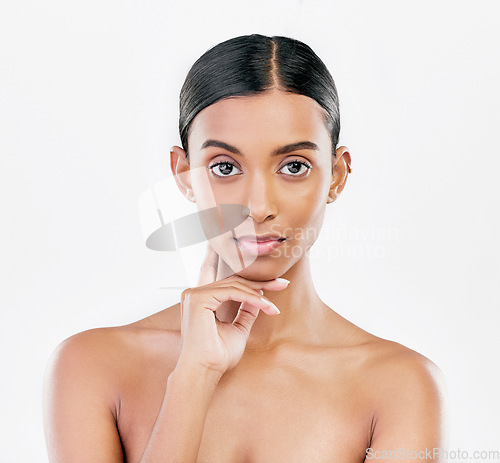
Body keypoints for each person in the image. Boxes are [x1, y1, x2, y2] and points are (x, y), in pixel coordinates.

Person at [43, 34, 448, 463]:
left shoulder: (401, 385)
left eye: (294, 166)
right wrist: (192, 378)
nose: (257, 206)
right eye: (224, 167)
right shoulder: (90, 367)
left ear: (336, 175)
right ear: (184, 176)